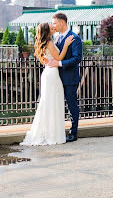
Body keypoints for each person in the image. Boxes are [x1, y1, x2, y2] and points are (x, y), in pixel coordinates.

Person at [20, 22, 74, 146]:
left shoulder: (44, 43)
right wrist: (65, 45)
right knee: (53, 103)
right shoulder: (49, 43)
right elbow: (59, 57)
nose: (53, 28)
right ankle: (53, 134)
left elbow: (46, 58)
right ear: (47, 31)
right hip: (52, 75)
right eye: (51, 27)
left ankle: (50, 132)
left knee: (48, 103)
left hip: (47, 73)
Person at [47, 12, 82, 142]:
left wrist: (59, 63)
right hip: (56, 78)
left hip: (69, 79)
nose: (53, 26)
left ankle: (73, 133)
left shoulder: (75, 38)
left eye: (55, 23)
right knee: (57, 105)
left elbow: (77, 58)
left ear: (62, 22)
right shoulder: (55, 38)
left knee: (71, 105)